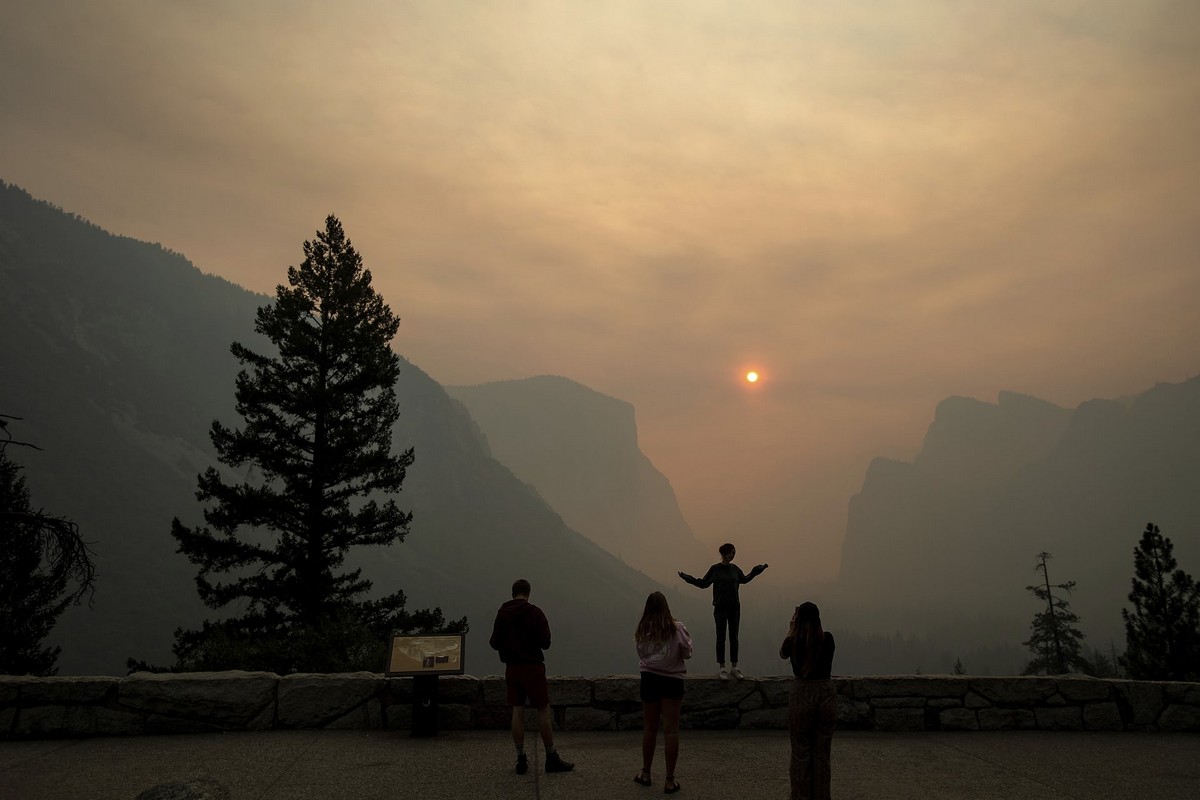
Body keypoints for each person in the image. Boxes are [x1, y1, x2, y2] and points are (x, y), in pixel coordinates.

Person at [489, 578, 574, 775]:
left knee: (517, 712)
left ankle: (520, 759)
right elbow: (546, 642)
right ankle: (551, 757)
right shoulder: (535, 613)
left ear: (513, 593)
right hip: (532, 668)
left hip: (512, 668)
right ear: (528, 593)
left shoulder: (502, 614)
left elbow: (494, 642)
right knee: (543, 709)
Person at [678, 543, 767, 679]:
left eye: (734, 552)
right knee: (721, 637)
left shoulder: (735, 569)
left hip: (734, 608)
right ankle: (722, 668)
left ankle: (735, 667)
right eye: (731, 552)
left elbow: (745, 579)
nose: (733, 555)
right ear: (724, 553)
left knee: (734, 637)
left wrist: (758, 570)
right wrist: (687, 578)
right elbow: (703, 583)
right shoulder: (715, 569)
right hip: (720, 608)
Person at [633, 591, 692, 794]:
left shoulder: (643, 629)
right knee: (671, 731)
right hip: (672, 681)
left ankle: (646, 773)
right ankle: (669, 780)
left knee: (649, 729)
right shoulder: (677, 628)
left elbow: (641, 652)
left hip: (649, 679)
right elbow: (687, 652)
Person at [779, 601, 836, 800]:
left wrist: (791, 627)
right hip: (826, 694)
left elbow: (782, 653)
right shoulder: (828, 639)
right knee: (821, 753)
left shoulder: (793, 641)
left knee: (800, 751)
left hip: (801, 694)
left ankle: (801, 796)